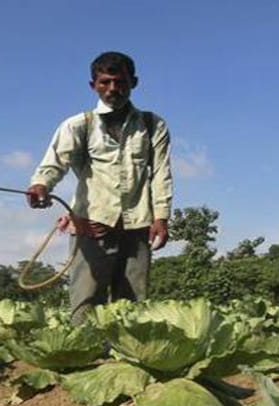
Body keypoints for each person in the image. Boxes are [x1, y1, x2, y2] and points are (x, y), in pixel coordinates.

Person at [27, 51, 173, 324]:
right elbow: (54, 163)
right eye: (105, 82)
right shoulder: (79, 125)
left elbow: (161, 173)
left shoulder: (153, 125)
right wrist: (40, 185)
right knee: (85, 301)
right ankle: (82, 357)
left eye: (120, 82)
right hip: (92, 225)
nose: (113, 89)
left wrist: (161, 217)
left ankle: (128, 358)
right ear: (93, 85)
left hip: (137, 225)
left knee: (132, 305)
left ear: (134, 82)